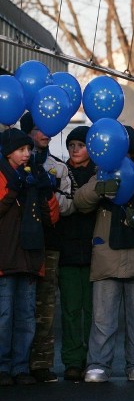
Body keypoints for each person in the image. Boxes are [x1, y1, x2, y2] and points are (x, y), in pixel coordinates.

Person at [75, 127, 134, 383]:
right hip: (107, 252)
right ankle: (98, 364)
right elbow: (79, 201)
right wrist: (98, 190)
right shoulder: (101, 172)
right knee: (102, 318)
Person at [20, 112, 73, 384]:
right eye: (40, 128)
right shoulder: (13, 163)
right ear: (29, 131)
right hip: (18, 245)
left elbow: (67, 206)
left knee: (45, 305)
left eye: (49, 128)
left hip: (49, 244)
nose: (46, 133)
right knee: (17, 305)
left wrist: (49, 192)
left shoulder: (59, 168)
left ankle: (40, 362)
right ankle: (15, 362)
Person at [0, 128, 52, 386]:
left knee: (26, 314)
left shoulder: (33, 175)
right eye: (21, 150)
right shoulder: (2, 176)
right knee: (5, 314)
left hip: (30, 255)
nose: (26, 154)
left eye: (28, 150)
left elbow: (51, 218)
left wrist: (45, 191)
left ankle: (20, 367)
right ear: (9, 152)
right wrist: (12, 190)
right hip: (6, 256)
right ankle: (2, 366)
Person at [55, 126, 97, 382]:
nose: (75, 149)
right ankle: (72, 360)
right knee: (71, 309)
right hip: (69, 248)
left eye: (80, 145)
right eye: (71, 145)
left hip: (95, 248)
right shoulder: (60, 171)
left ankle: (93, 358)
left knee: (94, 309)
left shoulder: (100, 172)